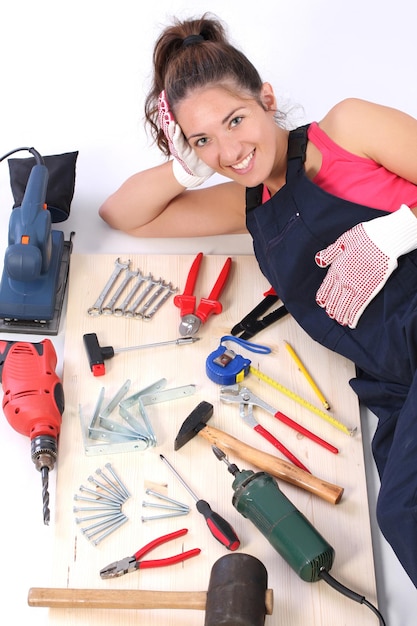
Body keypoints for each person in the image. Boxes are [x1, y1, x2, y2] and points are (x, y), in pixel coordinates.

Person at [99, 14, 417, 588]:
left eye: (235, 119)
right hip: (394, 385)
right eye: (204, 140)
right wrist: (183, 168)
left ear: (266, 98)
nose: (229, 149)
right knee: (402, 513)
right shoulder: (246, 208)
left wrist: (400, 231)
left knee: (404, 509)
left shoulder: (346, 130)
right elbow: (122, 214)